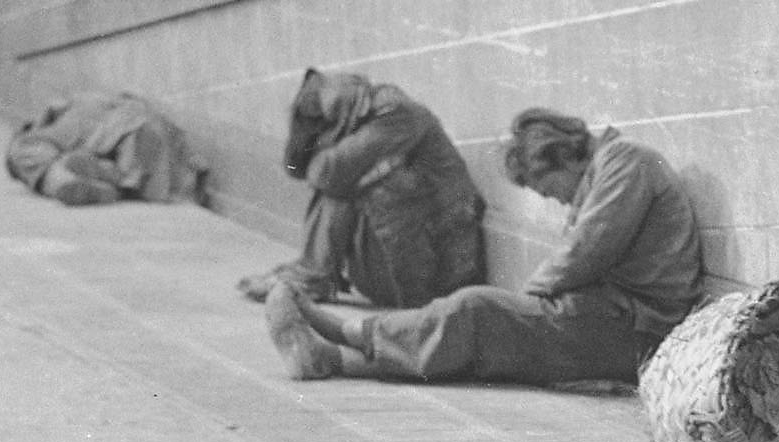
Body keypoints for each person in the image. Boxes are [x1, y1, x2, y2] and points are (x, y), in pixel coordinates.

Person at [266, 107, 703, 385]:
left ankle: (345, 333)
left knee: (477, 311)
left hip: (636, 329)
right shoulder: (610, 168)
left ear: (561, 156)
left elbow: (588, 248)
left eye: (546, 188)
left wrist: (526, 300)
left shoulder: (626, 161)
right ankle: (334, 359)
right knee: (483, 339)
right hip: (615, 320)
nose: (556, 199)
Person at [234, 68, 486, 309]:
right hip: (405, 255)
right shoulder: (366, 114)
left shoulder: (396, 113)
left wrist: (324, 147)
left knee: (341, 186)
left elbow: (326, 172)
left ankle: (313, 276)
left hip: (437, 272)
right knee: (347, 181)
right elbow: (297, 168)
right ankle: (312, 274)